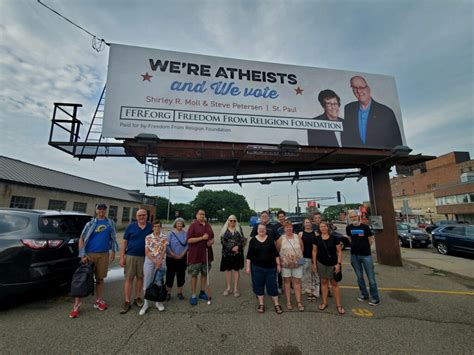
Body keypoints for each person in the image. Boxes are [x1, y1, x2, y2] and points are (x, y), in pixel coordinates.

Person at [69, 203, 119, 318]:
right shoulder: (90, 223)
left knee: (100, 279)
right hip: (90, 255)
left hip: (104, 254)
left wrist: (113, 252)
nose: (101, 210)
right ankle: (76, 306)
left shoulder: (110, 223)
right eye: (99, 209)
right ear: (96, 210)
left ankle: (99, 301)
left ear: (106, 210)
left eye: (103, 209)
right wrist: (83, 255)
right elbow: (81, 239)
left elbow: (112, 238)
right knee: (83, 278)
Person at [341, 75, 403, 149]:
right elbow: (347, 136)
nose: (358, 91)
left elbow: (397, 143)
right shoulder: (349, 108)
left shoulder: (386, 112)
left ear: (368, 89)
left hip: (380, 158)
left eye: (361, 87)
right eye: (354, 88)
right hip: (356, 158)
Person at [119, 209, 152, 314]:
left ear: (146, 216)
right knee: (129, 278)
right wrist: (122, 257)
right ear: (136, 217)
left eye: (144, 215)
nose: (142, 217)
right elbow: (124, 242)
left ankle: (137, 297)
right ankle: (127, 300)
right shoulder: (130, 227)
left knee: (140, 277)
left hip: (144, 257)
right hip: (131, 256)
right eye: (139, 215)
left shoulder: (150, 227)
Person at [246, 224, 283, 314]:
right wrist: (248, 267)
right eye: (260, 229)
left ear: (266, 230)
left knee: (272, 285)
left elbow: (275, 253)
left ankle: (276, 304)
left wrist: (278, 264)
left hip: (271, 267)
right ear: (257, 230)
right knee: (258, 285)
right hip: (257, 267)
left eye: (263, 229)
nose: (262, 230)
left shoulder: (270, 239)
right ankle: (261, 303)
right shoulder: (253, 241)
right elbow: (249, 255)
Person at [346, 211, 380, 306]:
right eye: (351, 217)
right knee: (359, 277)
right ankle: (364, 294)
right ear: (349, 218)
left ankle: (375, 297)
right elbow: (350, 239)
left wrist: (364, 248)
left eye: (355, 216)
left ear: (358, 216)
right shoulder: (349, 228)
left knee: (371, 278)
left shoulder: (365, 227)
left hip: (366, 255)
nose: (353, 218)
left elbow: (370, 240)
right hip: (354, 255)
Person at [313, 221, 344, 315]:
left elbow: (339, 251)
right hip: (321, 263)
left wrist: (338, 264)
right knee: (324, 282)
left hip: (333, 264)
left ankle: (338, 305)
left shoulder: (334, 238)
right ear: (319, 229)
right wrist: (314, 264)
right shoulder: (316, 239)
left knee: (334, 283)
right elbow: (314, 251)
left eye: (324, 226)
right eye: (321, 227)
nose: (323, 228)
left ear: (328, 227)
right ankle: (324, 302)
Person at [186, 209, 214, 306]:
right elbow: (189, 240)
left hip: (206, 254)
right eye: (200, 214)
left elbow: (212, 237)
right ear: (196, 215)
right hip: (196, 255)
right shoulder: (193, 226)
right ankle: (193, 295)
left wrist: (211, 241)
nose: (202, 216)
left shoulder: (208, 225)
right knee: (194, 275)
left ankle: (202, 292)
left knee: (204, 273)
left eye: (203, 214)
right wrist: (202, 238)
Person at [140, 221, 168, 315]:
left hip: (160, 260)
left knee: (159, 282)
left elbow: (164, 249)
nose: (157, 228)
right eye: (155, 226)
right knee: (147, 281)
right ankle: (146, 303)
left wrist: (159, 260)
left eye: (158, 226)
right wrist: (154, 260)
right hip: (149, 261)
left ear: (160, 227)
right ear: (152, 228)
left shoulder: (164, 237)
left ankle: (158, 302)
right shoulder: (148, 237)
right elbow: (147, 251)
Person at [276, 221, 305, 311]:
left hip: (297, 264)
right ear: (284, 229)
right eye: (287, 227)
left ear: (292, 228)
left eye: (290, 227)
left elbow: (302, 248)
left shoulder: (297, 237)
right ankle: (288, 301)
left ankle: (298, 301)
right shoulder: (281, 239)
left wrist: (296, 259)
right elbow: (278, 250)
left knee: (297, 282)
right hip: (285, 265)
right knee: (287, 282)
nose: (289, 229)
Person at [220, 215, 245, 297]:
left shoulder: (239, 229)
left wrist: (238, 246)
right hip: (227, 254)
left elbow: (242, 239)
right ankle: (228, 288)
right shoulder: (224, 230)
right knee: (228, 270)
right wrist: (231, 248)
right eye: (231, 220)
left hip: (237, 253)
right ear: (228, 221)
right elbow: (223, 241)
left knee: (236, 270)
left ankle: (235, 289)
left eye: (234, 220)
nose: (232, 222)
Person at [165, 217, 188, 301]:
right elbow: (167, 246)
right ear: (175, 224)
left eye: (181, 223)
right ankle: (168, 293)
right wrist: (173, 255)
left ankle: (180, 292)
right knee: (170, 275)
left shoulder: (186, 234)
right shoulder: (170, 234)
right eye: (178, 223)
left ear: (183, 225)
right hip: (171, 258)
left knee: (181, 275)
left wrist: (182, 254)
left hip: (182, 258)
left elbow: (187, 245)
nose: (179, 225)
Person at [298, 218, 320, 302]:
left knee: (314, 275)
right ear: (304, 224)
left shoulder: (316, 233)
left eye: (309, 222)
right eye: (306, 222)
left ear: (311, 224)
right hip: (303, 258)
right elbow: (299, 247)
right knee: (304, 275)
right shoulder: (300, 234)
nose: (307, 224)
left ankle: (314, 292)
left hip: (313, 258)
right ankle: (306, 290)